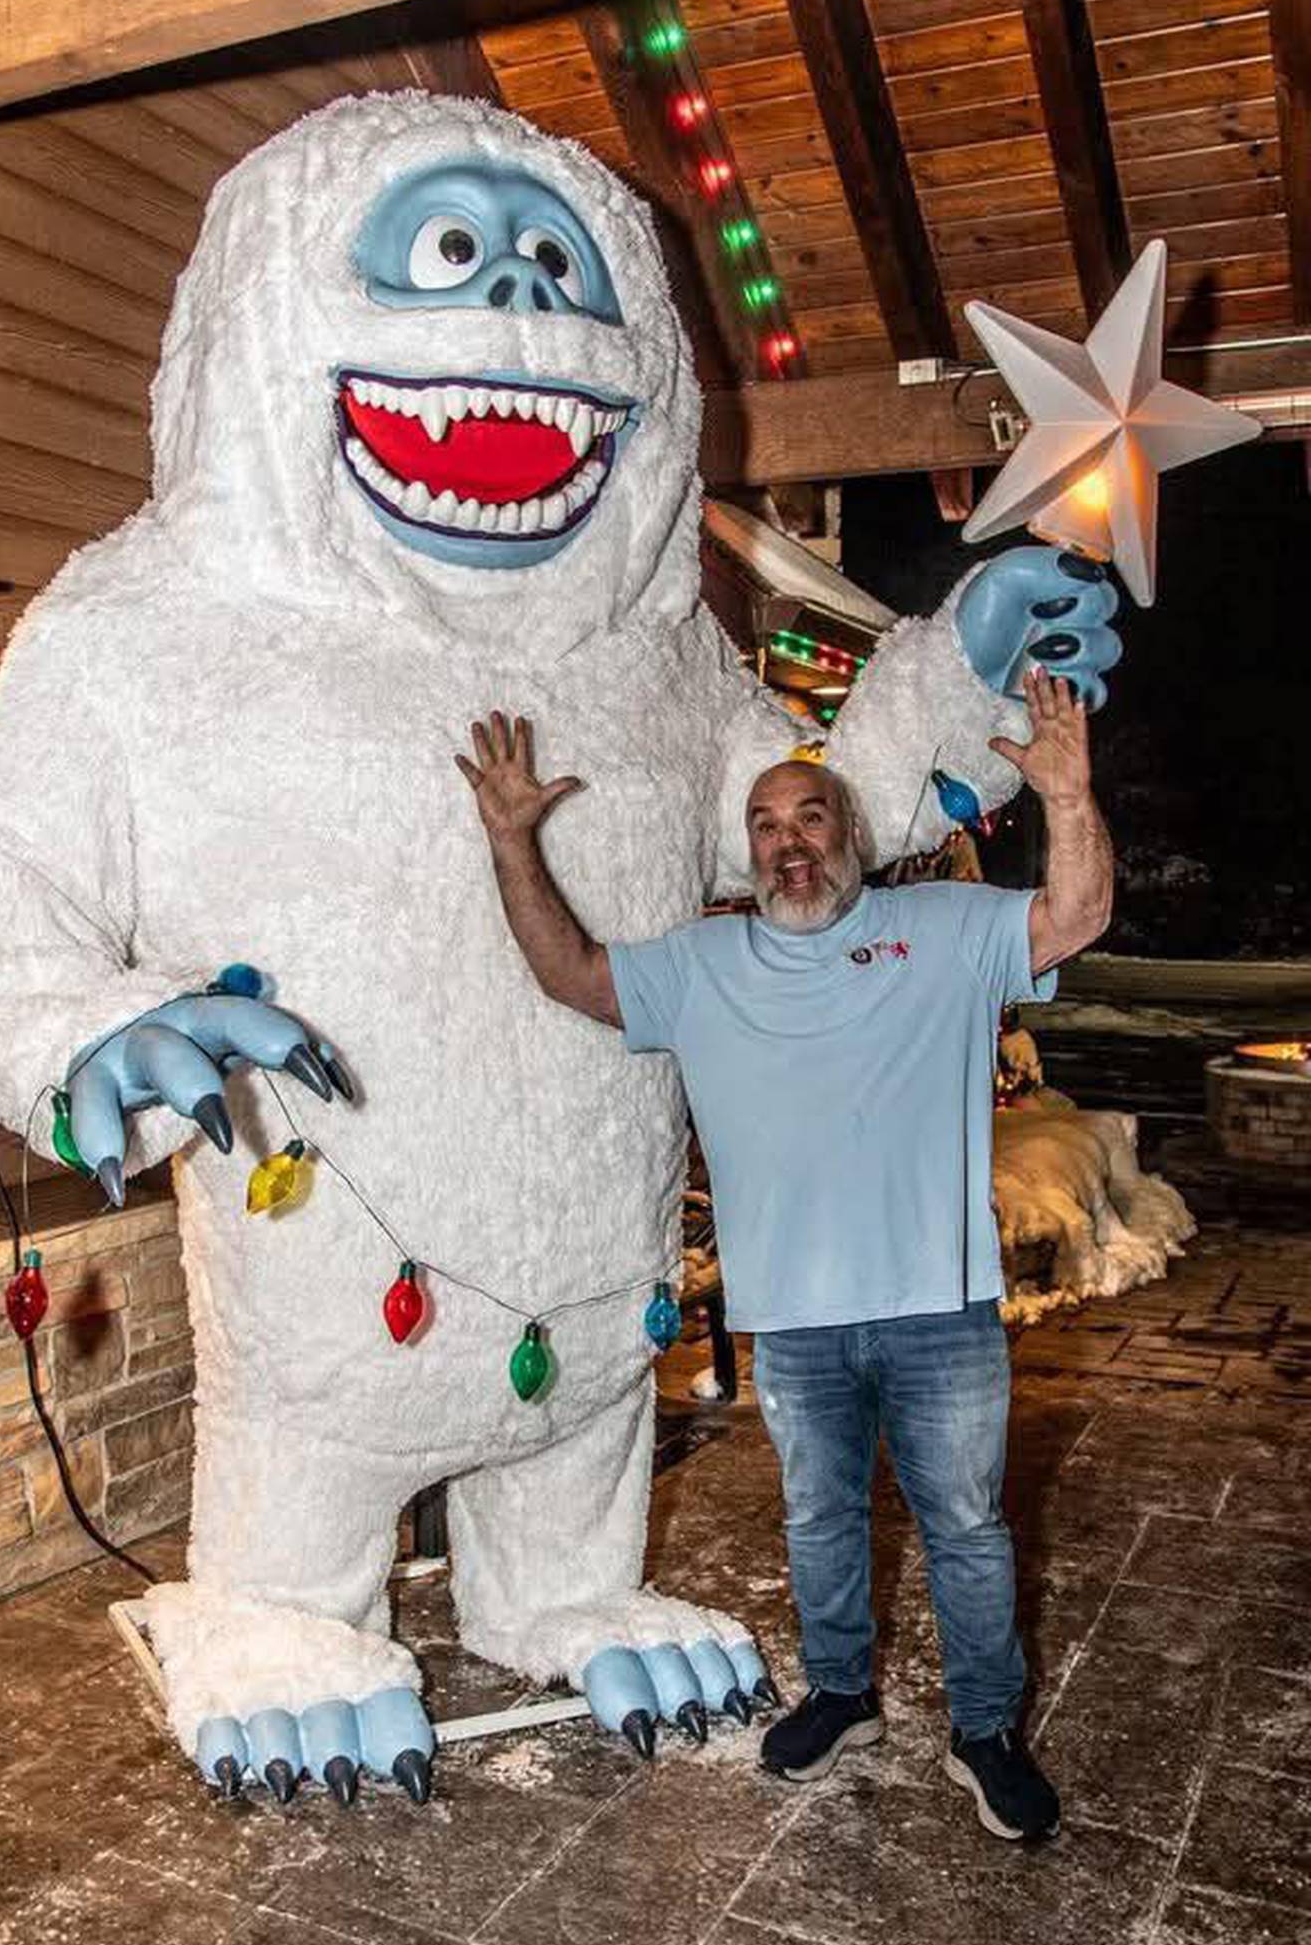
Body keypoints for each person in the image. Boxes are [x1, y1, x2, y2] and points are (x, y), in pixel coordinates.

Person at [456, 668, 1113, 1842]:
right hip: (794, 1316)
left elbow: (1073, 919)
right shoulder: (702, 966)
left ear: (850, 832)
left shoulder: (946, 933)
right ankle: (844, 1694)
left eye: (808, 815)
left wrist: (1067, 800)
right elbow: (571, 973)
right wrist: (513, 840)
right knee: (818, 1520)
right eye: (764, 825)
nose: (786, 840)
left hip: (938, 1304)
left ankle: (985, 1729)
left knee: (963, 1526)